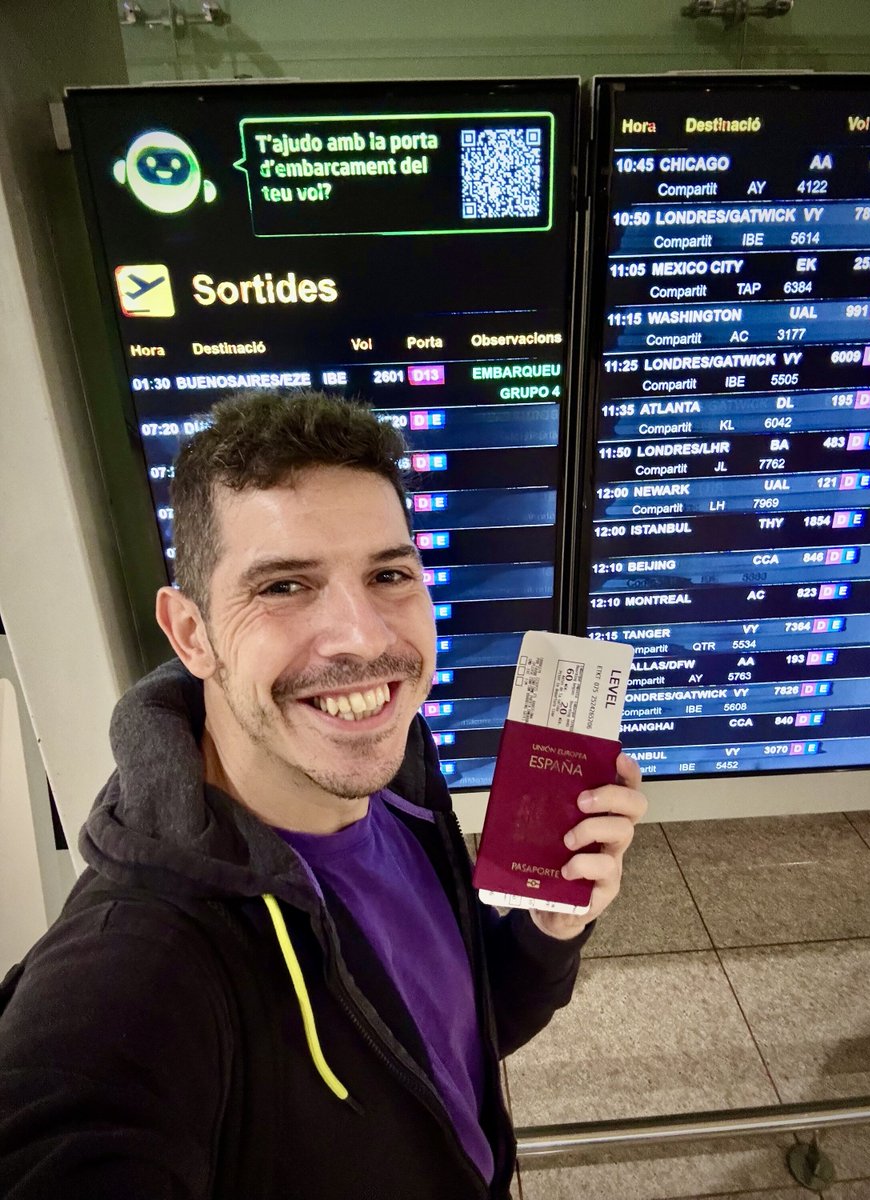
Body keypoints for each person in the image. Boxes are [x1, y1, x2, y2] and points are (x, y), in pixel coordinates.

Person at [0, 390, 646, 1200]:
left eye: (388, 573)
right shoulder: (133, 973)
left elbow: (450, 1038)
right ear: (191, 632)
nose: (367, 638)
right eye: (283, 587)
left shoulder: (398, 764)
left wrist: (545, 931)